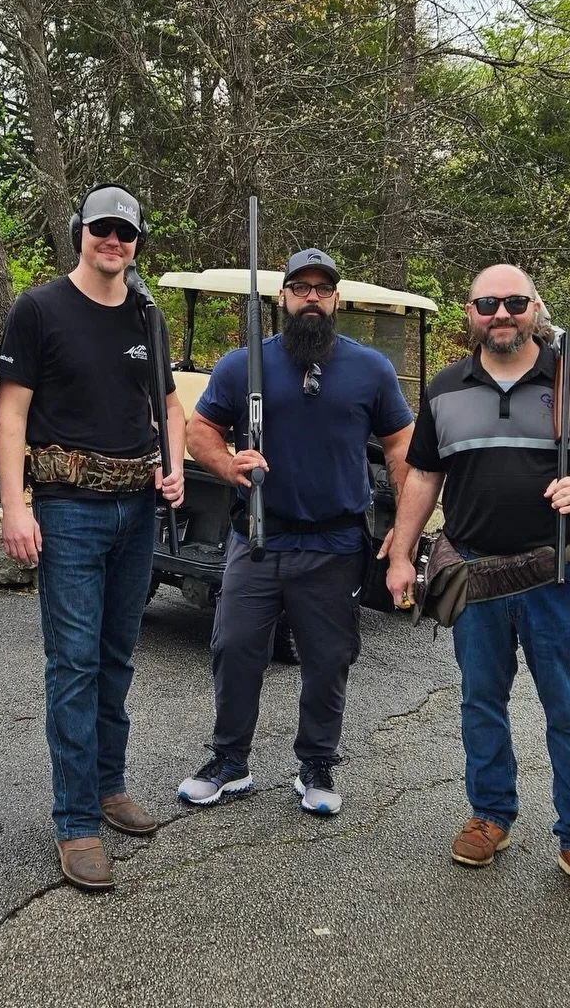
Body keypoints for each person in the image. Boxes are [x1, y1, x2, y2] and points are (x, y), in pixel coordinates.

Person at [384, 264, 570, 902]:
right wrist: (400, 554)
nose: (502, 313)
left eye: (515, 302)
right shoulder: (444, 389)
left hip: (558, 572)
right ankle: (491, 814)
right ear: (468, 313)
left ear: (535, 309)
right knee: (480, 702)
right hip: (475, 572)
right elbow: (422, 477)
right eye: (488, 303)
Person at [0, 183, 184, 891]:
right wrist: (16, 504)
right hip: (68, 508)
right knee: (72, 664)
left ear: (137, 241)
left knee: (116, 657)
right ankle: (75, 822)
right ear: (80, 231)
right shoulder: (40, 310)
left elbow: (166, 402)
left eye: (125, 233)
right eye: (101, 228)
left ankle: (110, 785)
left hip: (139, 509)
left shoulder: (146, 312)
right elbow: (11, 415)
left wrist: (176, 468)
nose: (113, 241)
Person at [176, 249, 413, 816]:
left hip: (334, 544)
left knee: (328, 658)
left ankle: (316, 764)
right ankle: (230, 762)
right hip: (257, 537)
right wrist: (229, 464)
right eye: (300, 288)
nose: (311, 297)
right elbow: (199, 429)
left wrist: (404, 532)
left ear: (336, 300)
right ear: (281, 298)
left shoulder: (371, 369)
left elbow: (402, 445)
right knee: (234, 647)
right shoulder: (242, 365)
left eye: (321, 288)